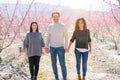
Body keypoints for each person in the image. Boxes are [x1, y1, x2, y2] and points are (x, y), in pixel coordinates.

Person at [45, 12, 68, 80]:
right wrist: (46, 46)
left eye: (56, 16)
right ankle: (56, 77)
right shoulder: (50, 26)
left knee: (62, 64)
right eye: (54, 16)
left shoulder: (62, 26)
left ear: (59, 17)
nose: (55, 18)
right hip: (52, 48)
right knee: (53, 64)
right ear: (52, 17)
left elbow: (66, 37)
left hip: (60, 48)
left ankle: (64, 77)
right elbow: (48, 37)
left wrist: (66, 47)